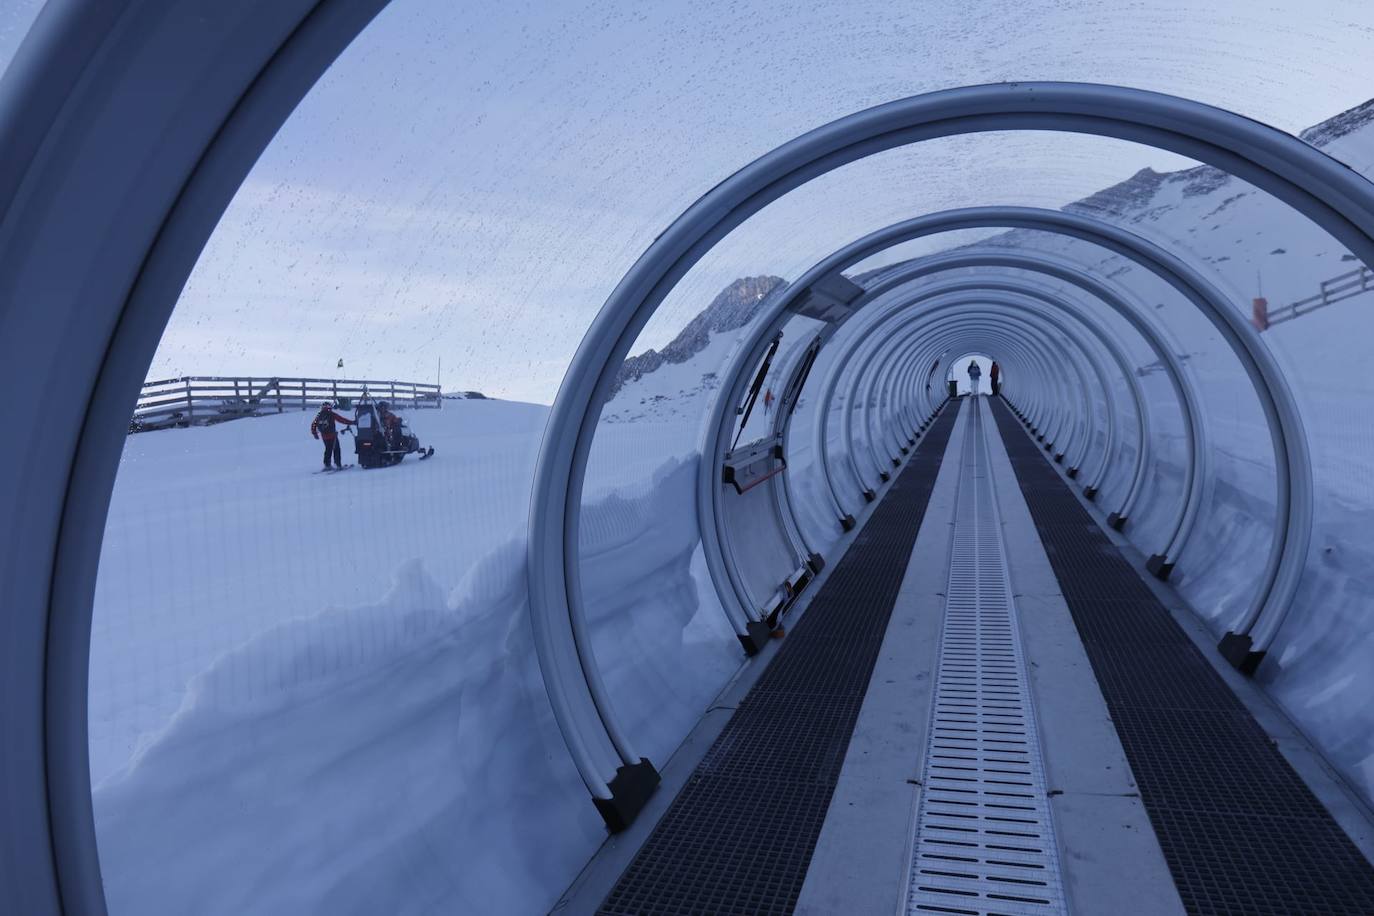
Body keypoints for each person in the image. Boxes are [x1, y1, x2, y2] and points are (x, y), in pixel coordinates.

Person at [310, 400, 355, 469]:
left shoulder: (319, 415)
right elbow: (342, 420)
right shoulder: (331, 414)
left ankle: (327, 464)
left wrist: (314, 433)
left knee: (328, 449)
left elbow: (313, 425)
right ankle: (338, 464)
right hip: (332, 435)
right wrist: (351, 422)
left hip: (324, 436)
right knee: (336, 449)